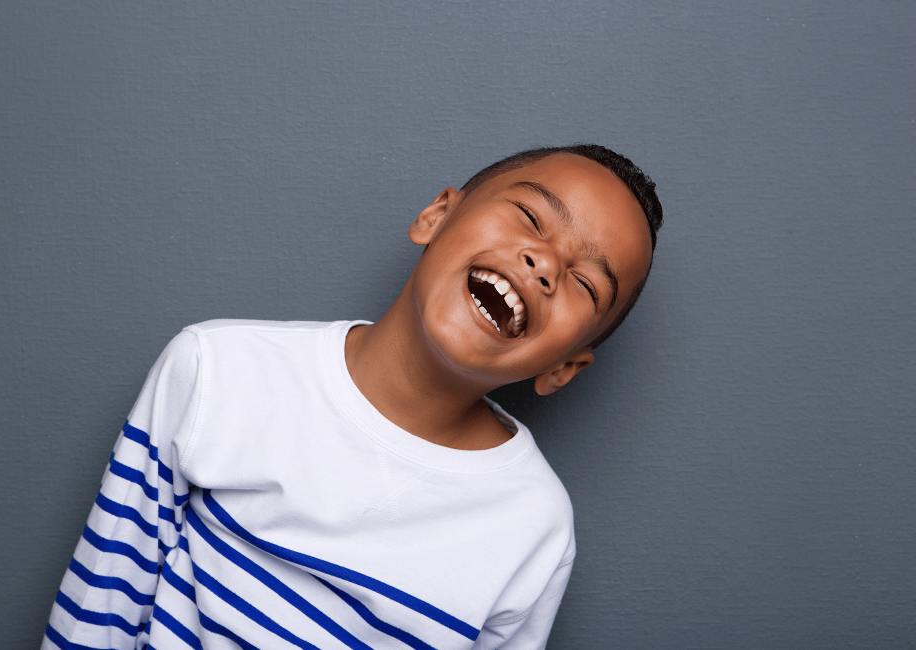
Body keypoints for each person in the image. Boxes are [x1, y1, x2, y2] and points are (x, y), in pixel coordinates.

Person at [42, 144, 663, 650]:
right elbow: (99, 609)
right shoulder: (217, 370)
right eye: (530, 218)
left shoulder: (536, 528)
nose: (545, 263)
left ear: (564, 368)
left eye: (584, 282)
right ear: (436, 216)